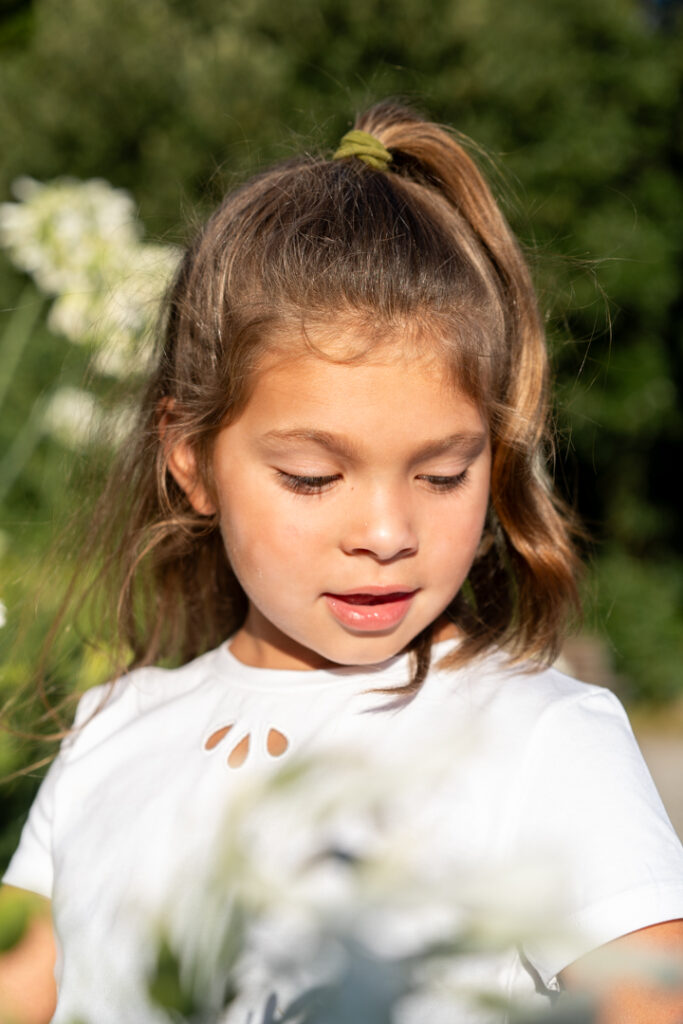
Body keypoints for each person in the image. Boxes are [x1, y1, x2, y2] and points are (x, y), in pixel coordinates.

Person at [1, 101, 682, 1024]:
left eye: (442, 474)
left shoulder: (535, 736)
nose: (386, 531)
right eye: (314, 477)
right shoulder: (109, 733)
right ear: (191, 461)